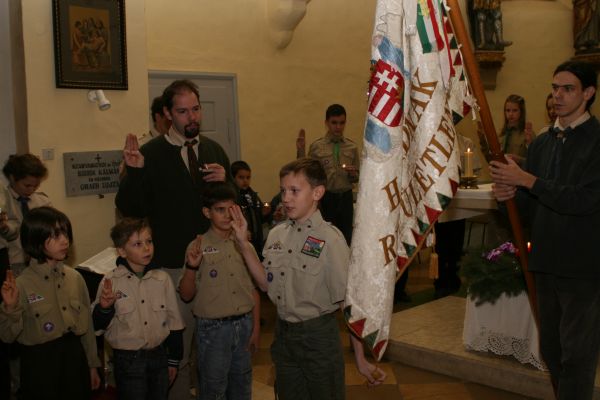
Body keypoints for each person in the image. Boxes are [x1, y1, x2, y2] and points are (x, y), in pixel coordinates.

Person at [230, 158, 386, 399]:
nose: (286, 198)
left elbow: (348, 305)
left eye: (294, 190)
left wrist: (359, 358)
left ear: (317, 192)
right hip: (284, 338)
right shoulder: (277, 234)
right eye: (283, 190)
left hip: (318, 340)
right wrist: (243, 243)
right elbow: (264, 283)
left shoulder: (331, 239)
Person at [115, 79, 233, 399]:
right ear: (167, 114)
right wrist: (135, 172)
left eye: (195, 109)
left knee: (214, 348)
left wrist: (228, 182)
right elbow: (130, 210)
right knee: (177, 350)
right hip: (171, 267)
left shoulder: (213, 150)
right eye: (182, 111)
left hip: (214, 263)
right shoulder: (150, 153)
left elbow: (229, 210)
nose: (192, 117)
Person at [490, 60, 600, 399]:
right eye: (555, 88)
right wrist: (508, 195)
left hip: (583, 265)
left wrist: (527, 180)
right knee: (552, 351)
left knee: (577, 356)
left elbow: (584, 200)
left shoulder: (597, 140)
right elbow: (528, 210)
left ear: (588, 93)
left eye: (568, 89)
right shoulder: (541, 144)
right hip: (545, 262)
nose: (558, 96)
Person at [0, 206, 100, 400]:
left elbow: (87, 326)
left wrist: (92, 365)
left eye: (65, 233)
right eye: (55, 235)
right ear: (35, 239)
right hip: (40, 366)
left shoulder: (75, 278)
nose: (64, 240)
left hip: (74, 360)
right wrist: (10, 308)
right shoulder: (20, 285)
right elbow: (6, 337)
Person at [179, 182, 260, 400]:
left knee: (242, 384)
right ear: (207, 212)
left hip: (243, 324)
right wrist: (191, 267)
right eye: (219, 210)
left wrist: (256, 327)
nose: (226, 215)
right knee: (213, 388)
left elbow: (253, 288)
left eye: (231, 209)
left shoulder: (244, 245)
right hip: (213, 329)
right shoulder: (198, 246)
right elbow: (186, 295)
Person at [92, 218, 185, 400]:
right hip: (127, 360)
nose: (146, 248)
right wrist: (104, 307)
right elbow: (97, 326)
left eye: (149, 241)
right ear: (121, 251)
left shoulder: (162, 279)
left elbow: (174, 323)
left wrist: (173, 359)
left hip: (159, 356)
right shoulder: (111, 282)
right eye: (137, 244)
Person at [299, 104, 359, 244]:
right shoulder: (317, 147)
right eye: (334, 123)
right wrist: (301, 151)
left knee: (345, 238)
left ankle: (344, 266)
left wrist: (353, 174)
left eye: (342, 123)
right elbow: (307, 173)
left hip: (345, 198)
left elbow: (356, 178)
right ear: (326, 123)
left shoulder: (352, 147)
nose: (338, 127)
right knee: (323, 238)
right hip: (326, 199)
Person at [2, 154, 51, 275]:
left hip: (41, 263)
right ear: (13, 178)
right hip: (14, 265)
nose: (31, 190)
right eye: (27, 185)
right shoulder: (3, 202)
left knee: (39, 294)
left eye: (36, 185)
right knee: (22, 293)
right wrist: (4, 227)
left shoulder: (43, 202)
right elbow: (10, 231)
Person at [479, 94, 534, 166]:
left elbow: (534, 161)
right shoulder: (501, 134)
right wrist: (483, 141)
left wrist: (519, 159)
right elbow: (491, 160)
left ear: (521, 112)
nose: (510, 114)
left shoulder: (527, 134)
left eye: (515, 110)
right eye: (508, 110)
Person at [231, 160, 270, 257]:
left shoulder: (252, 195)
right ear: (233, 178)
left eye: (248, 177)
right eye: (241, 177)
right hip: (240, 242)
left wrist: (266, 213)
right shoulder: (232, 197)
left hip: (256, 241)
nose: (245, 181)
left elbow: (259, 219)